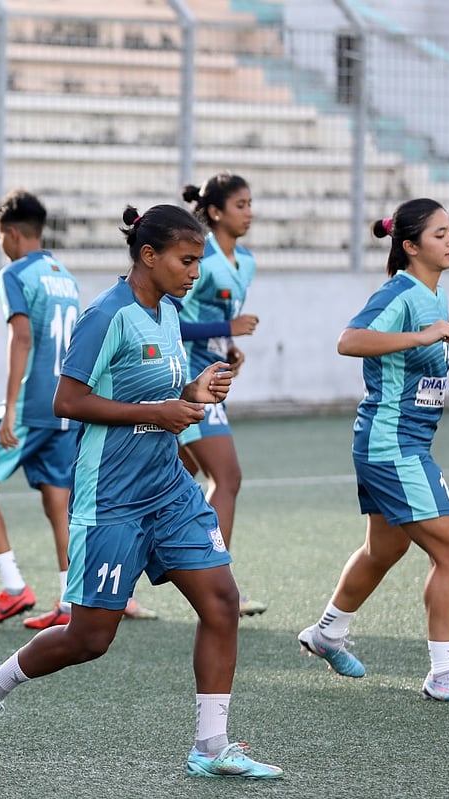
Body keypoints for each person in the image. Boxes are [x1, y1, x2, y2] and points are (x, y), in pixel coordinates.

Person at [0, 204, 282, 780]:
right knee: (90, 638)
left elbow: (157, 392)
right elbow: (68, 401)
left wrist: (193, 389)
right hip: (111, 497)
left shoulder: (169, 311)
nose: (195, 272)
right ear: (148, 255)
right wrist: (158, 413)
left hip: (169, 489)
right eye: (186, 260)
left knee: (221, 603)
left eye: (199, 261)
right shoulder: (106, 315)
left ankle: (211, 746)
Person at [297, 198, 449, 703]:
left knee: (385, 549)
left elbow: (435, 340)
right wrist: (423, 333)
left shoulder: (433, 294)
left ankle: (327, 633)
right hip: (393, 444)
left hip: (395, 442)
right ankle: (443, 674)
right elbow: (350, 340)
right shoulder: (398, 292)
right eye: (440, 233)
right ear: (410, 246)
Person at [0, 188, 154, 629]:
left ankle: (13, 588)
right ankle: (71, 601)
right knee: (57, 499)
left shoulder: (15, 273)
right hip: (66, 404)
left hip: (32, 405)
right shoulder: (63, 276)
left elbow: (22, 338)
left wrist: (11, 408)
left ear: (11, 233)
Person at [175, 173, 265, 617]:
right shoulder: (200, 257)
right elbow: (171, 321)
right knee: (227, 479)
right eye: (240, 205)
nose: (249, 213)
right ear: (214, 211)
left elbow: (212, 322)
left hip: (213, 379)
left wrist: (227, 347)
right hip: (188, 381)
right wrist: (225, 328)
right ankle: (219, 587)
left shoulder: (244, 261)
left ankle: (120, 580)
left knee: (166, 484)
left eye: (250, 204)